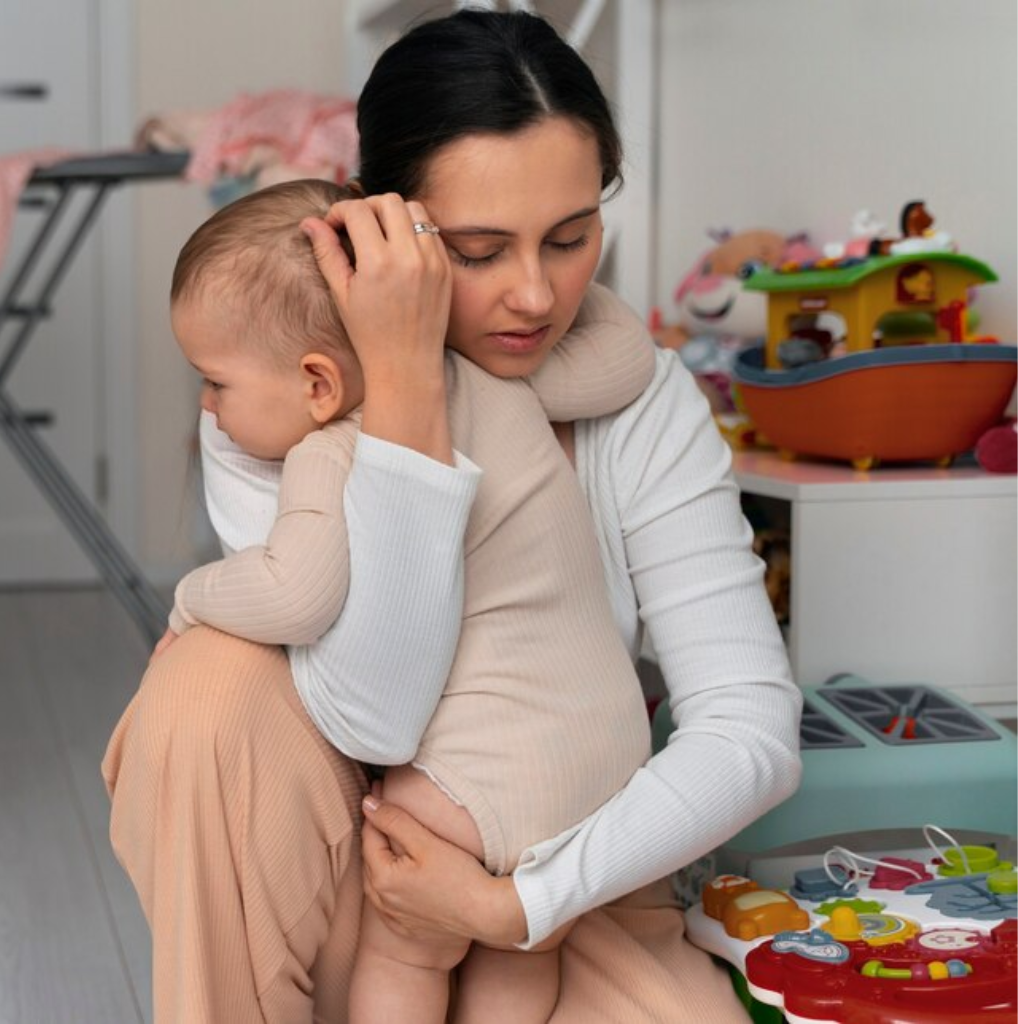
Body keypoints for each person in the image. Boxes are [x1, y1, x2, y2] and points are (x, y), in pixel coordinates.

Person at [103, 9, 802, 1023]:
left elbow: (749, 728)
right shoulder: (283, 394)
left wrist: (518, 901)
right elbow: (373, 713)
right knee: (205, 688)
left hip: (561, 866)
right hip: (357, 857)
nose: (534, 294)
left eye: (570, 238)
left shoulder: (633, 396)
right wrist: (401, 397)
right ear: (376, 225)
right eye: (478, 250)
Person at [160, 175, 657, 1023]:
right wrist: (451, 296)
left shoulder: (330, 452)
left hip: (478, 778)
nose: (207, 407)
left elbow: (296, 593)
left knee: (405, 948)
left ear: (319, 386)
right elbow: (628, 356)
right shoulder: (495, 375)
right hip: (611, 749)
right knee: (516, 950)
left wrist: (190, 598)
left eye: (215, 383)